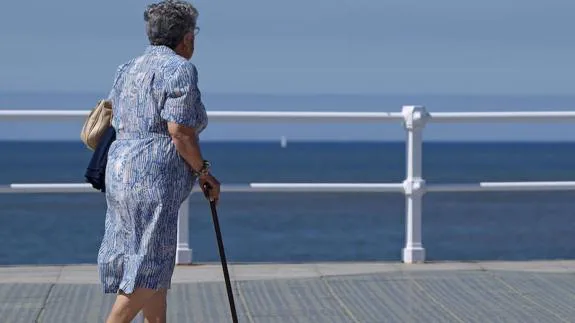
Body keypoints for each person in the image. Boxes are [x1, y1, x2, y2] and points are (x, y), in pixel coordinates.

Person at [97, 1, 221, 322]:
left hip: (120, 172)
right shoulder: (180, 69)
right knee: (149, 267)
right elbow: (179, 132)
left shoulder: (127, 68)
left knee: (151, 261)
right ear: (187, 38)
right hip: (153, 178)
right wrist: (203, 171)